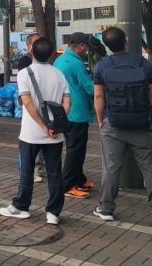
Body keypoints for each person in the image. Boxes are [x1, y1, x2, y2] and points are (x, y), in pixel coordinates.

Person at [93, 27, 152, 226]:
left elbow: (99, 97)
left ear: (107, 45)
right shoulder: (144, 64)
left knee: (111, 168)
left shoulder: (102, 66)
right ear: (125, 40)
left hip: (113, 125)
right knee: (151, 170)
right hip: (143, 124)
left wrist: (101, 120)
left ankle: (106, 209)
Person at [0, 37, 70, 225]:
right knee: (55, 172)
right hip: (55, 134)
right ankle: (53, 213)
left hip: (31, 133)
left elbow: (27, 102)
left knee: (27, 171)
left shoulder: (24, 73)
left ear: (32, 52)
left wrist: (43, 126)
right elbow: (66, 102)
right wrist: (55, 125)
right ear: (52, 54)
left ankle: (21, 206)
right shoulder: (59, 74)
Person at [54, 32, 96, 200]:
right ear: (81, 46)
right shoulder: (76, 64)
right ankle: (68, 184)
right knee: (75, 150)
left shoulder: (61, 60)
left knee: (75, 147)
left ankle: (79, 178)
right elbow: (89, 87)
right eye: (86, 47)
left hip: (66, 110)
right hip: (76, 111)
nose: (87, 51)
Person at [17, 33, 45, 183]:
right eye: (36, 43)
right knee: (28, 138)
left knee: (39, 138)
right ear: (29, 47)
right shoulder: (25, 61)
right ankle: (27, 170)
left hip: (41, 104)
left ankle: (38, 168)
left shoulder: (44, 63)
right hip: (30, 104)